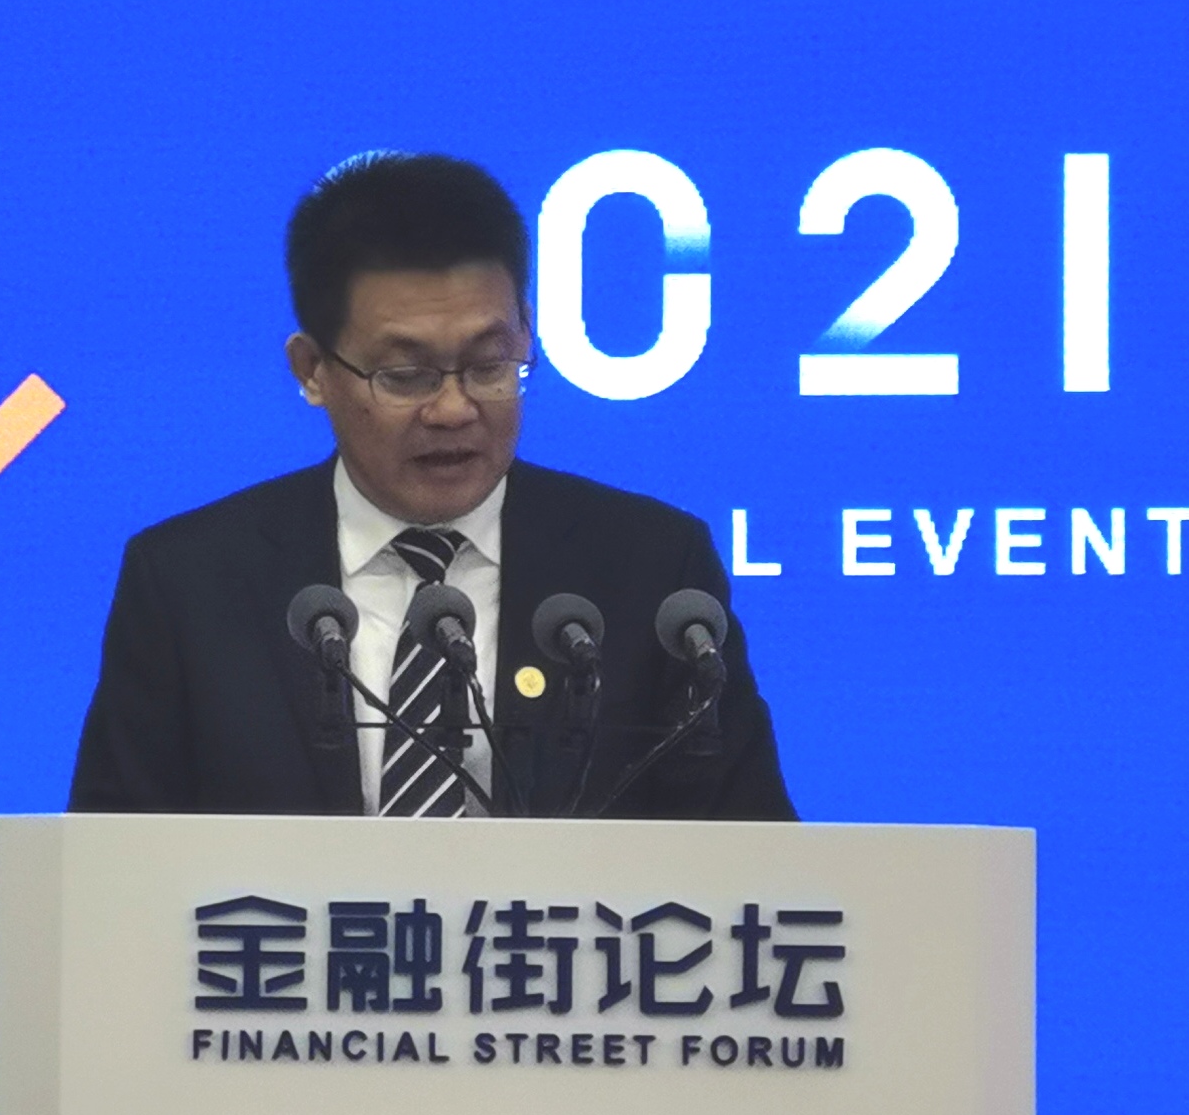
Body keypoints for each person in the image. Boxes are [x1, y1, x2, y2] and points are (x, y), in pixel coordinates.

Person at [68, 151, 793, 820]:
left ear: (527, 335)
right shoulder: (189, 583)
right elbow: (108, 866)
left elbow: (756, 864)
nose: (453, 409)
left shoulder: (652, 570)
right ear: (311, 370)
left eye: (489, 365)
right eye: (405, 375)